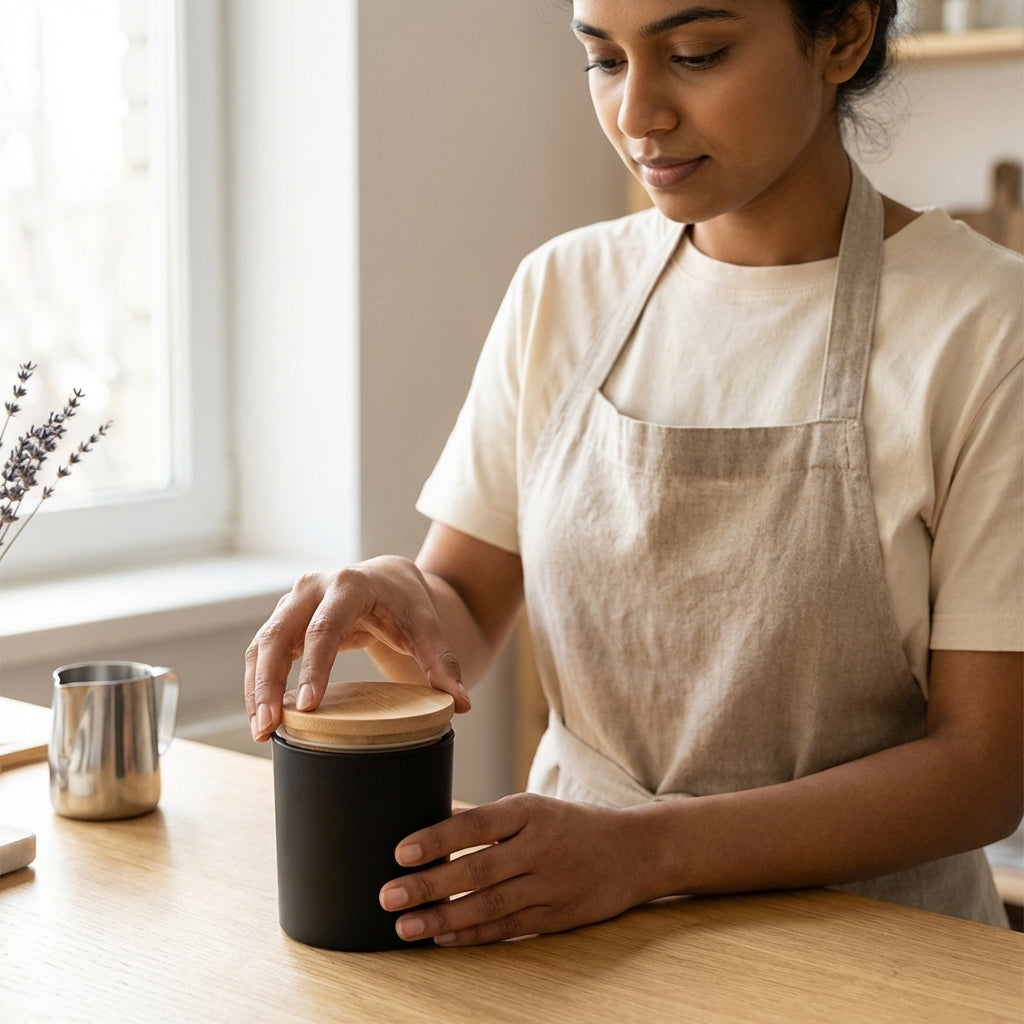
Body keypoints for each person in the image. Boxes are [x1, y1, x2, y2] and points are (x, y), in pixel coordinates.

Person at [244, 0, 1023, 944]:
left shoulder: (986, 327)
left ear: (844, 36)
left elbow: (987, 769)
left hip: (871, 950)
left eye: (695, 54)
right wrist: (395, 594)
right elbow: (460, 613)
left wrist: (642, 852)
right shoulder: (562, 289)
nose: (637, 113)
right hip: (578, 939)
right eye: (603, 61)